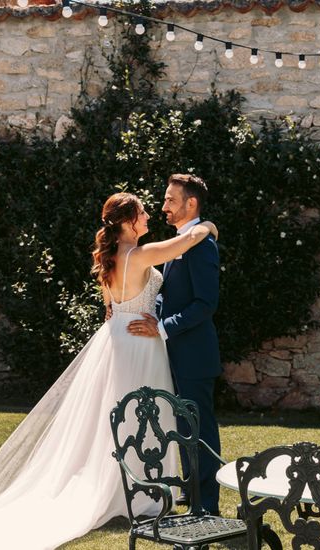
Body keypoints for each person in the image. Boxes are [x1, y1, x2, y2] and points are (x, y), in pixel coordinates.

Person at [0, 192, 217, 550]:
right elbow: (188, 239)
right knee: (145, 415)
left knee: (123, 416)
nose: (150, 216)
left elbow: (110, 309)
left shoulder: (109, 260)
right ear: (127, 222)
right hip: (139, 341)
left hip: (117, 337)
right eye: (142, 213)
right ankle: (140, 496)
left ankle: (129, 491)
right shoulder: (139, 255)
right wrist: (210, 226)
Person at [126, 173, 222, 516]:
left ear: (190, 203)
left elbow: (205, 303)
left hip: (195, 355)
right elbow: (169, 295)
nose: (164, 206)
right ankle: (192, 493)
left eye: (170, 199)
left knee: (201, 430)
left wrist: (163, 328)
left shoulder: (201, 245)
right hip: (172, 354)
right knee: (182, 429)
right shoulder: (180, 241)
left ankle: (207, 504)